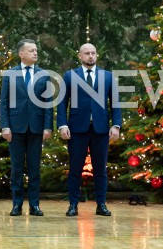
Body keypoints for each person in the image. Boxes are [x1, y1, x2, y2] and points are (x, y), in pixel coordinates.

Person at [57, 43, 122, 217]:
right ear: (80, 56)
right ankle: (73, 205)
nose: (91, 56)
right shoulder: (70, 76)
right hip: (77, 129)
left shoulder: (108, 76)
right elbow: (62, 102)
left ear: (97, 55)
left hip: (101, 129)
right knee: (75, 169)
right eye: (87, 53)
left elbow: (115, 103)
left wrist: (116, 125)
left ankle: (101, 204)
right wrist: (62, 125)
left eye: (93, 53)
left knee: (100, 170)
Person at [0, 39, 53, 217]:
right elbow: (4, 102)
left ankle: (34, 205)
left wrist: (48, 126)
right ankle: (16, 205)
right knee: (16, 169)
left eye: (36, 50)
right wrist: (5, 126)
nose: (35, 53)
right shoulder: (10, 74)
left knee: (34, 169)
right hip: (15, 128)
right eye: (31, 50)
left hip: (36, 128)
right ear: (21, 54)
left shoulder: (44, 75)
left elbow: (48, 103)